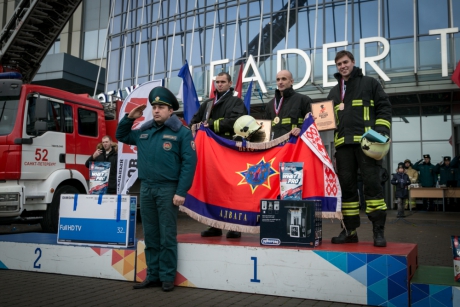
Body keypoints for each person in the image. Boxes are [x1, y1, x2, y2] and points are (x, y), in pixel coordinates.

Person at [116, 86, 197, 292]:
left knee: (167, 234)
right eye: (154, 107)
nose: (156, 110)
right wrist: (129, 117)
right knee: (150, 234)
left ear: (171, 111)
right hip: (147, 188)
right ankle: (152, 275)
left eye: (161, 107)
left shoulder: (181, 133)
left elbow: (189, 164)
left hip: (168, 190)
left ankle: (167, 277)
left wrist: (181, 192)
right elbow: (121, 135)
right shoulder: (144, 131)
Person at [327, 50, 392, 247]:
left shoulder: (370, 83)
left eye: (345, 62)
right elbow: (326, 117)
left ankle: (378, 231)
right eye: (339, 64)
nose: (342, 66)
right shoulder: (334, 91)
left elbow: (384, 108)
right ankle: (350, 231)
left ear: (353, 62)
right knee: (347, 190)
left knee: (372, 186)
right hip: (343, 146)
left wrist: (380, 132)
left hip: (367, 144)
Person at [190, 72, 247, 239]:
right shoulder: (207, 104)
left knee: (231, 188)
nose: (219, 85)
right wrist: (197, 125)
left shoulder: (236, 102)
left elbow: (238, 122)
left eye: (223, 82)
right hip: (210, 153)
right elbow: (193, 121)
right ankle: (214, 225)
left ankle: (234, 226)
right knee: (213, 188)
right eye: (217, 82)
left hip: (229, 150)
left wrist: (213, 124)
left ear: (230, 83)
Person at [264, 70, 312, 140]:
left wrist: (301, 129)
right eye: (278, 79)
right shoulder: (270, 105)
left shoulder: (303, 100)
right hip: (276, 147)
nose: (280, 82)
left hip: (295, 144)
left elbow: (313, 121)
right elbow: (265, 129)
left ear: (291, 81)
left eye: (284, 79)